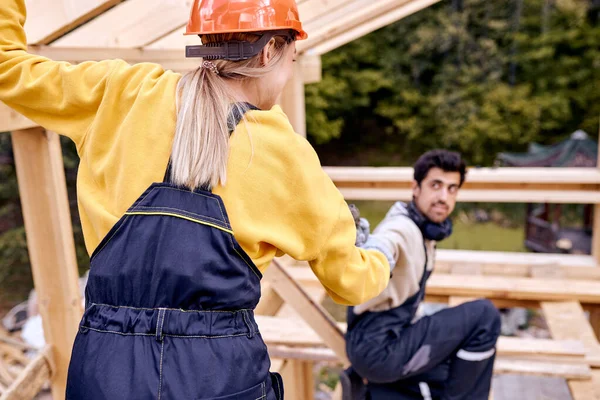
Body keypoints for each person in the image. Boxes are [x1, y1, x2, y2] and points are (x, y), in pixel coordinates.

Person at [0, 1, 403, 399]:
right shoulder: (283, 154)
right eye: (292, 59)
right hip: (217, 377)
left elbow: (7, 68)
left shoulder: (122, 93)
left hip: (105, 371)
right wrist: (384, 249)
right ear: (269, 51)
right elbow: (352, 282)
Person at [343, 150, 502, 400]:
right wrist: (371, 252)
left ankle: (374, 391)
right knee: (485, 316)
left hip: (376, 344)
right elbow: (386, 243)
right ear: (415, 188)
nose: (443, 197)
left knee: (453, 368)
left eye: (452, 189)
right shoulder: (403, 228)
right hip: (380, 348)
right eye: (435, 185)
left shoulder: (424, 230)